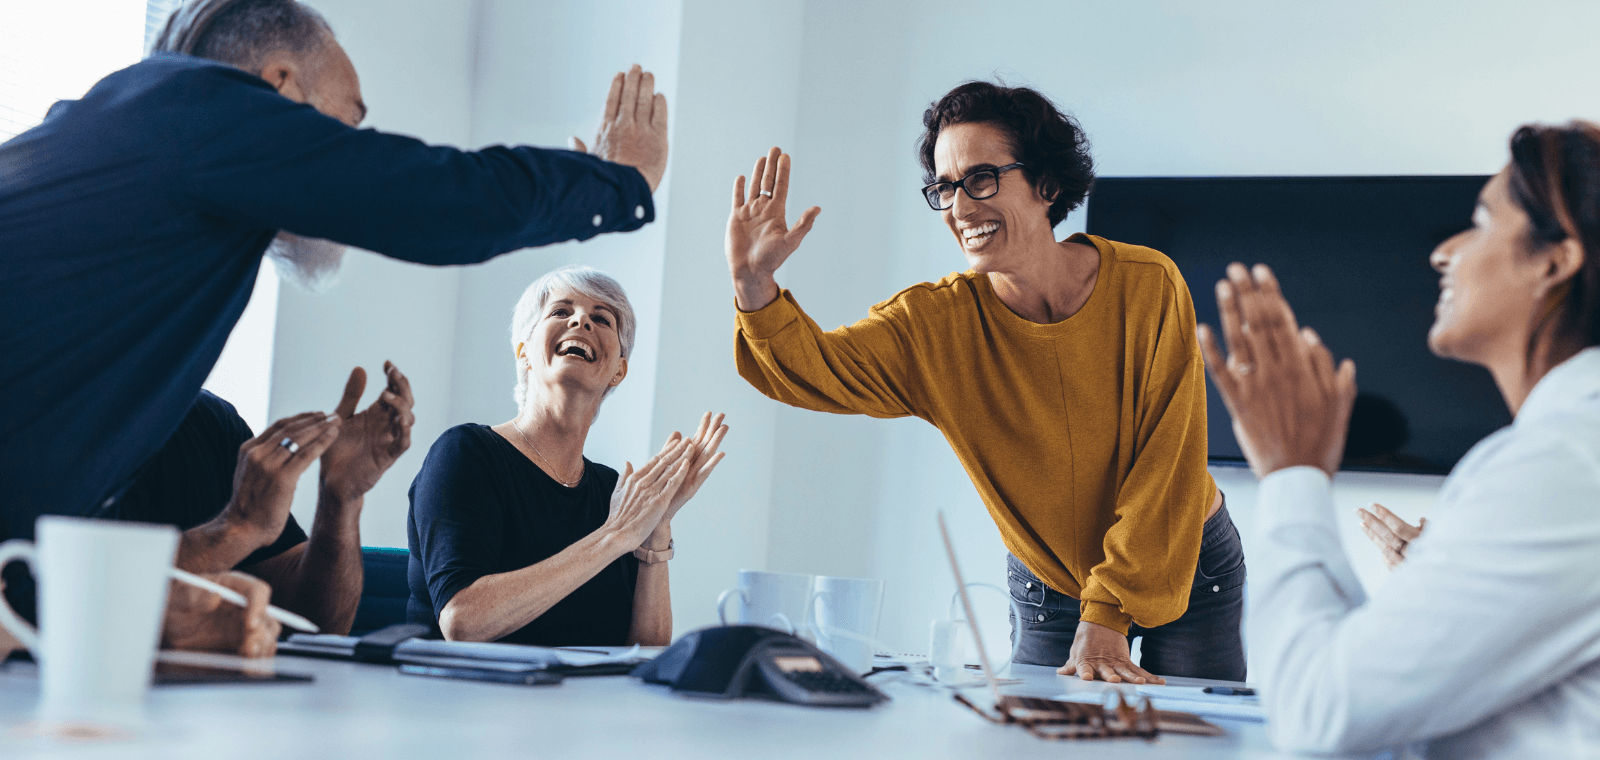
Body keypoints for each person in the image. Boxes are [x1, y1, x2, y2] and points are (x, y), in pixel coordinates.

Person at [0, 0, 667, 645]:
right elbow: (427, 193)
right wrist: (615, 179)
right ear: (278, 86)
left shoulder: (121, 152)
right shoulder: (194, 104)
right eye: (344, 130)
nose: (343, 157)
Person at [727, 81, 1241, 683]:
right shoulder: (933, 324)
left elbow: (1168, 464)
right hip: (1050, 586)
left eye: (980, 178)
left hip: (1187, 558)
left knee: (1194, 740)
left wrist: (1108, 612)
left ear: (1046, 185)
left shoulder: (1149, 284)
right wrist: (752, 283)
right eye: (944, 188)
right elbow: (813, 368)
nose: (960, 208)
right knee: (1041, 741)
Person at [1198, 122, 1600, 756]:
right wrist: (1446, 578)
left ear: (1555, 260)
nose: (1445, 252)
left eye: (1481, 219)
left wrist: (1290, 474)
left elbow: (1317, 714)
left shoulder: (1563, 465)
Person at [408, 266, 728, 646]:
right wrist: (615, 535)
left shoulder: (617, 493)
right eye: (561, 311)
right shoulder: (466, 453)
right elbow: (463, 622)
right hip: (462, 699)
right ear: (524, 352)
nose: (581, 320)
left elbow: (645, 651)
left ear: (618, 371)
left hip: (580, 704)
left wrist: (656, 525)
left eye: (601, 318)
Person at [106, 361, 414, 638]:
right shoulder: (62, 422)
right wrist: (237, 529)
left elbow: (316, 625)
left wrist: (341, 500)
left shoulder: (206, 420)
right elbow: (81, 602)